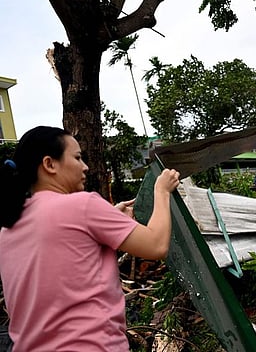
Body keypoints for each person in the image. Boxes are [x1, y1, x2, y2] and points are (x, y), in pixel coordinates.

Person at [0, 126, 180, 351]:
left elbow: (70, 251)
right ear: (49, 164)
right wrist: (162, 191)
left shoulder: (9, 227)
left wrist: (110, 219)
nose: (85, 167)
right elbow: (156, 245)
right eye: (77, 158)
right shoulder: (83, 206)